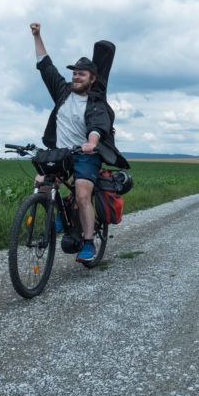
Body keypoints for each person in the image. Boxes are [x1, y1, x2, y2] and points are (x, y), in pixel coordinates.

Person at [30, 22, 128, 263]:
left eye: (81, 74)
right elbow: (45, 66)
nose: (75, 76)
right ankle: (59, 213)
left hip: (85, 155)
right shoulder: (62, 92)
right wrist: (37, 35)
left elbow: (97, 127)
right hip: (61, 154)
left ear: (92, 79)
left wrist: (91, 142)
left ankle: (87, 242)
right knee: (41, 182)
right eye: (74, 73)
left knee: (83, 192)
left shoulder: (96, 103)